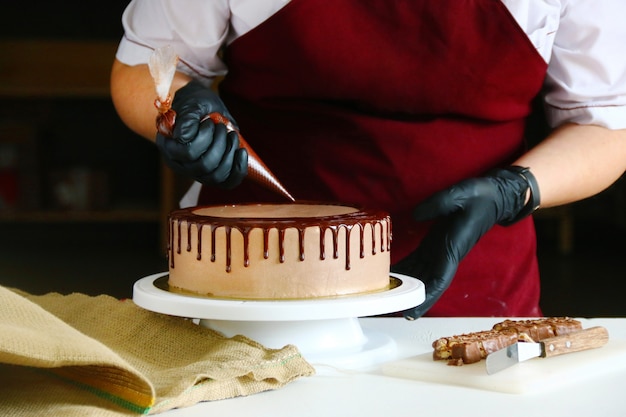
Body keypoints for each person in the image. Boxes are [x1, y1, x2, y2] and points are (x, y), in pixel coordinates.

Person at [110, 1, 626, 318]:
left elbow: (606, 125)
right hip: (252, 281)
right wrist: (180, 107)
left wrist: (517, 189)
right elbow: (143, 67)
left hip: (473, 286)